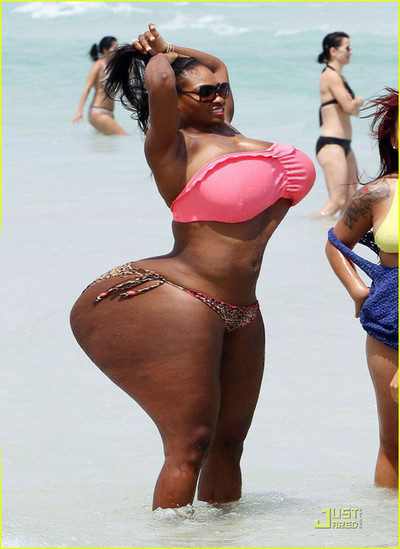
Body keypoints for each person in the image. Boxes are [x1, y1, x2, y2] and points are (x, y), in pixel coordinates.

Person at [70, 23, 315, 510]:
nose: (218, 96)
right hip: (183, 296)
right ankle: (170, 540)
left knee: (229, 445)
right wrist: (154, 55)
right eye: (205, 93)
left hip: (243, 308)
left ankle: (226, 538)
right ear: (176, 102)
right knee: (189, 444)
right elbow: (160, 81)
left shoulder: (229, 129)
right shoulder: (172, 146)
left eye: (221, 90)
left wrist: (172, 47)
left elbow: (218, 65)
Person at [326, 88, 398, 488]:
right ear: (393, 137)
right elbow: (336, 243)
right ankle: (385, 522)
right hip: (388, 320)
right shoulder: (378, 193)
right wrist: (357, 289)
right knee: (393, 444)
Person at [314, 32, 364, 217]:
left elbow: (353, 111)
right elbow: (349, 107)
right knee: (337, 202)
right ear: (333, 51)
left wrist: (354, 105)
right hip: (331, 144)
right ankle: (308, 227)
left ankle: (337, 234)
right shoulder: (330, 75)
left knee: (351, 202)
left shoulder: (341, 78)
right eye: (347, 48)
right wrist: (358, 101)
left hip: (345, 145)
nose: (351, 52)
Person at [71, 36, 127, 135]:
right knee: (123, 136)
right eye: (115, 48)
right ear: (105, 50)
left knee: (106, 144)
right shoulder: (98, 65)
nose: (117, 51)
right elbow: (87, 88)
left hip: (109, 113)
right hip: (98, 112)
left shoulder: (114, 67)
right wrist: (79, 111)